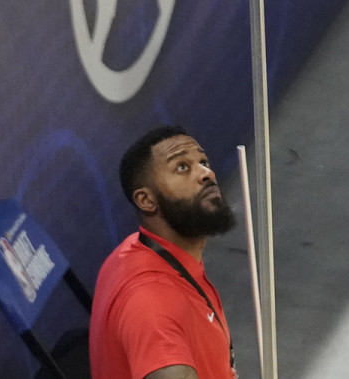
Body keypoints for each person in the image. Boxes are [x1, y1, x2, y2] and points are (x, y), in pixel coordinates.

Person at [90, 126, 238, 379]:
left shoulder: (138, 249)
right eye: (182, 167)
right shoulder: (151, 302)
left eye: (203, 161)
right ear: (146, 200)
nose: (206, 173)